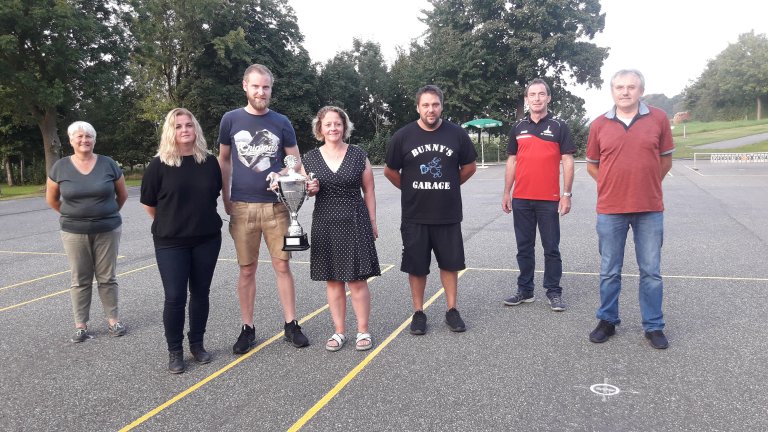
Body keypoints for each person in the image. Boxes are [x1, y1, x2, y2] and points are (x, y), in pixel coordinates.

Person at [218, 63, 309, 353]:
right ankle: (247, 327)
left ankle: (291, 323)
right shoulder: (230, 120)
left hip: (277, 207)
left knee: (282, 266)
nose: (261, 92)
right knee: (247, 270)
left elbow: (294, 162)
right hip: (242, 207)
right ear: (245, 86)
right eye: (256, 86)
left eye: (266, 87)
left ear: (271, 89)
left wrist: (284, 175)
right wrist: (225, 197)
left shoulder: (281, 122)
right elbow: (224, 161)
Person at [585, 69, 674, 349]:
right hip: (611, 209)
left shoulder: (658, 118)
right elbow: (592, 165)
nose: (625, 92)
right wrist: (613, 184)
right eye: (620, 87)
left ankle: (654, 326)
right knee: (609, 270)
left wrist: (644, 184)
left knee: (651, 270)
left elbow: (665, 161)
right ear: (612, 91)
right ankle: (607, 320)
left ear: (641, 91)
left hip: (649, 209)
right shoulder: (599, 124)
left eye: (631, 87)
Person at [384, 85, 477, 335]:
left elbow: (469, 166)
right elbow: (390, 171)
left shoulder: (456, 134)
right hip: (415, 215)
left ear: (441, 106)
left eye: (435, 104)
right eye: (425, 105)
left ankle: (452, 310)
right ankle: (418, 312)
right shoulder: (403, 136)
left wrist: (451, 183)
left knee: (450, 264)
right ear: (418, 107)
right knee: (417, 266)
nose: (430, 109)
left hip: (447, 214)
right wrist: (410, 189)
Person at [141, 108, 223, 374]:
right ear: (170, 131)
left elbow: (213, 196)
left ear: (195, 129)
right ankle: (174, 351)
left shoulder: (209, 162)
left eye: (189, 125)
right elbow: (150, 205)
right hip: (170, 241)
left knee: (200, 294)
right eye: (178, 126)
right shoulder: (158, 165)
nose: (185, 130)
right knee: (175, 296)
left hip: (207, 239)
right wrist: (172, 222)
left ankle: (197, 344)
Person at [301, 106, 380, 352]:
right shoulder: (310, 158)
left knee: (357, 281)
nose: (333, 128)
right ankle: (339, 331)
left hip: (355, 221)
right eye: (328, 124)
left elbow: (369, 190)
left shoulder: (358, 155)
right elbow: (305, 190)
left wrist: (373, 221)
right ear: (320, 128)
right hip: (325, 223)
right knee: (333, 282)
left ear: (344, 127)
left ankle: (363, 330)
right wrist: (309, 189)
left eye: (337, 124)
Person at [46, 121, 128, 343]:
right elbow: (52, 199)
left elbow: (122, 195)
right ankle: (81, 325)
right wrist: (73, 215)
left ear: (94, 139)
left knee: (107, 277)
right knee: (80, 278)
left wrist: (107, 214)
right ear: (71, 140)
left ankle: (113, 320)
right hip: (74, 231)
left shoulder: (108, 164)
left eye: (88, 137)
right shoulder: (60, 167)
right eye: (79, 137)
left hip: (107, 229)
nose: (84, 140)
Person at [501, 78, 575, 311]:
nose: (536, 98)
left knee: (551, 247)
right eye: (532, 95)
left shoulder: (559, 126)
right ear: (526, 99)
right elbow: (512, 161)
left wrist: (566, 194)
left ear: (548, 98)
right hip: (522, 198)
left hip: (549, 198)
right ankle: (525, 290)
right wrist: (507, 192)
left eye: (541, 94)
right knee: (524, 247)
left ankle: (553, 291)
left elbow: (568, 162)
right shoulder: (518, 127)